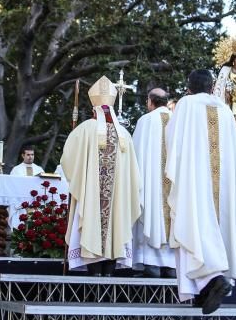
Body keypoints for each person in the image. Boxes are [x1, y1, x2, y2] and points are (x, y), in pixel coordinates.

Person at [166, 69, 236, 314]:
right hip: (223, 186)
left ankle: (211, 281)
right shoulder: (225, 111)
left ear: (189, 87)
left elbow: (172, 138)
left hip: (194, 182)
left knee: (190, 226)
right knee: (214, 226)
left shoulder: (185, 104)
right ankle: (205, 290)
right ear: (212, 86)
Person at [61, 76, 141, 277]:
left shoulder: (84, 129)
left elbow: (67, 160)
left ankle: (95, 273)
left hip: (91, 196)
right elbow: (133, 173)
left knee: (92, 223)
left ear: (93, 110)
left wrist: (78, 179)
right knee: (115, 225)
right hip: (117, 200)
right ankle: (108, 273)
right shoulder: (124, 134)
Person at [131, 87, 176, 278]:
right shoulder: (179, 121)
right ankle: (172, 266)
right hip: (174, 188)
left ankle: (151, 265)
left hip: (151, 188)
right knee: (173, 219)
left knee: (151, 216)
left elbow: (135, 157)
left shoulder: (145, 121)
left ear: (150, 101)